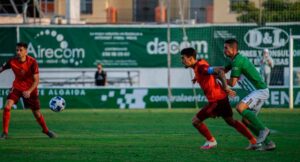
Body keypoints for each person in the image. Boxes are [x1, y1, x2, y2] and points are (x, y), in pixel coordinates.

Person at [180, 47, 256, 150]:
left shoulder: (201, 67)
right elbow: (211, 72)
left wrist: (225, 86)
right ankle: (253, 141)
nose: (182, 61)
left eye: (183, 58)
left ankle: (211, 141)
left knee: (196, 121)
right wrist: (196, 77)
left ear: (190, 58)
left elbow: (219, 71)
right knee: (231, 121)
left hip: (215, 101)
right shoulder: (200, 63)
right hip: (222, 99)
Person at [222, 38, 275, 151]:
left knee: (240, 107)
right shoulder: (233, 60)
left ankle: (263, 129)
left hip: (260, 91)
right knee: (246, 121)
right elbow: (222, 70)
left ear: (233, 49)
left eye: (226, 48)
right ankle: (269, 143)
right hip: (256, 92)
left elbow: (232, 82)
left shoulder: (237, 61)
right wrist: (210, 72)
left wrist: (220, 79)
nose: (224, 50)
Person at [0, 42, 56, 139]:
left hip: (30, 89)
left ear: (26, 51)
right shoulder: (12, 61)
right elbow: (1, 68)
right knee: (7, 106)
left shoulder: (32, 62)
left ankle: (46, 130)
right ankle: (5, 133)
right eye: (17, 50)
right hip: (17, 87)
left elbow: (36, 80)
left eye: (20, 50)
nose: (18, 52)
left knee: (36, 113)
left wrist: (29, 91)